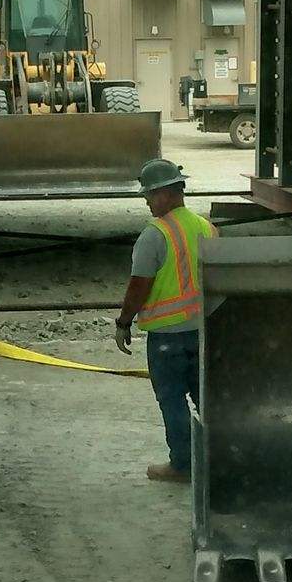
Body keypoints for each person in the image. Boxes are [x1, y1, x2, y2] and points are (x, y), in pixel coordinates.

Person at [114, 158, 217, 484]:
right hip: (204, 331)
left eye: (148, 195)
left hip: (167, 337)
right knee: (210, 399)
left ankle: (183, 466)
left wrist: (123, 322)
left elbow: (138, 287)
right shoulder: (206, 227)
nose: (146, 201)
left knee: (173, 402)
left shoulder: (155, 235)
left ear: (165, 193)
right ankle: (225, 458)